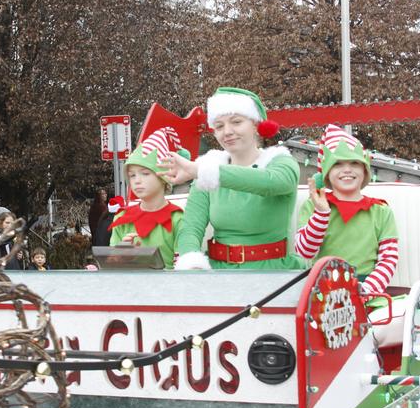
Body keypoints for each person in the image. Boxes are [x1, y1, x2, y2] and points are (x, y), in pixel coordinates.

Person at [162, 87, 304, 270]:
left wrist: (203, 171)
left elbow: (273, 182)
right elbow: (191, 228)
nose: (227, 131)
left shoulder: (282, 163)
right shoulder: (206, 170)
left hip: (272, 273)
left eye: (236, 122)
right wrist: (191, 265)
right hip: (219, 273)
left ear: (255, 125)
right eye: (219, 126)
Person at [293, 124, 399, 300]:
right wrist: (321, 213)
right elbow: (305, 252)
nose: (347, 169)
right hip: (322, 292)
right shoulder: (313, 206)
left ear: (364, 171)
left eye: (355, 163)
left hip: (365, 292)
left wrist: (364, 291)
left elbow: (388, 259)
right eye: (338, 164)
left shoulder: (381, 211)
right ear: (326, 174)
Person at [109, 128, 186, 269]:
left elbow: (183, 270)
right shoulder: (121, 217)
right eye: (132, 175)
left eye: (145, 173)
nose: (137, 181)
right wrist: (120, 255)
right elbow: (112, 268)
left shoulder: (178, 219)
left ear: (163, 178)